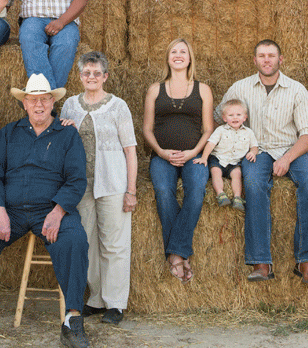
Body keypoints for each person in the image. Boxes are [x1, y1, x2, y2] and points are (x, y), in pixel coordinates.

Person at [0, 74, 91, 348]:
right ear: (24, 103)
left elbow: (76, 179)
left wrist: (59, 210)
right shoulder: (8, 133)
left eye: (44, 99)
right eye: (33, 100)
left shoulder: (67, 134)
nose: (39, 105)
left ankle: (73, 321)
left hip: (50, 209)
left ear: (53, 102)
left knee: (75, 241)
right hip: (10, 210)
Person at [219, 40, 308, 285]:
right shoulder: (240, 88)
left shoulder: (296, 89)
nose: (267, 60)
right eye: (262, 56)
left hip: (292, 149)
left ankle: (307, 262)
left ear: (281, 59)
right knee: (254, 183)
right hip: (256, 150)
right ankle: (261, 262)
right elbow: (219, 116)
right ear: (254, 60)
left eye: (271, 55)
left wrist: (288, 158)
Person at [59, 52, 138, 326]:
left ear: (105, 76)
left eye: (96, 73)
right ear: (79, 76)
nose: (91, 77)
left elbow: (130, 150)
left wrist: (131, 190)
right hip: (81, 187)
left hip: (113, 184)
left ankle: (115, 304)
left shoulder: (118, 107)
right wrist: (65, 128)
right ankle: (95, 299)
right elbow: (61, 143)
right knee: (87, 244)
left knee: (115, 245)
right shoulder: (69, 105)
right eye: (86, 73)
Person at [142, 38, 213, 283]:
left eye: (183, 51)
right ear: (168, 57)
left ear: (190, 58)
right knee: (163, 191)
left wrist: (194, 153)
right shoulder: (155, 89)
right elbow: (147, 129)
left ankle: (175, 252)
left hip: (194, 156)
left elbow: (208, 129)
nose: (179, 55)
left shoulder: (203, 89)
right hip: (163, 156)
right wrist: (161, 152)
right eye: (174, 51)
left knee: (196, 191)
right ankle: (179, 254)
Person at [193, 99, 257, 212]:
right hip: (218, 159)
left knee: (237, 174)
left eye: (238, 114)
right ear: (224, 118)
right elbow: (210, 144)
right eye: (231, 115)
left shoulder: (249, 132)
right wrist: (204, 157)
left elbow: (254, 146)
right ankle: (221, 194)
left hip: (235, 162)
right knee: (215, 172)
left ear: (245, 117)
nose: (235, 117)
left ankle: (237, 197)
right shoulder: (220, 130)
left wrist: (253, 152)